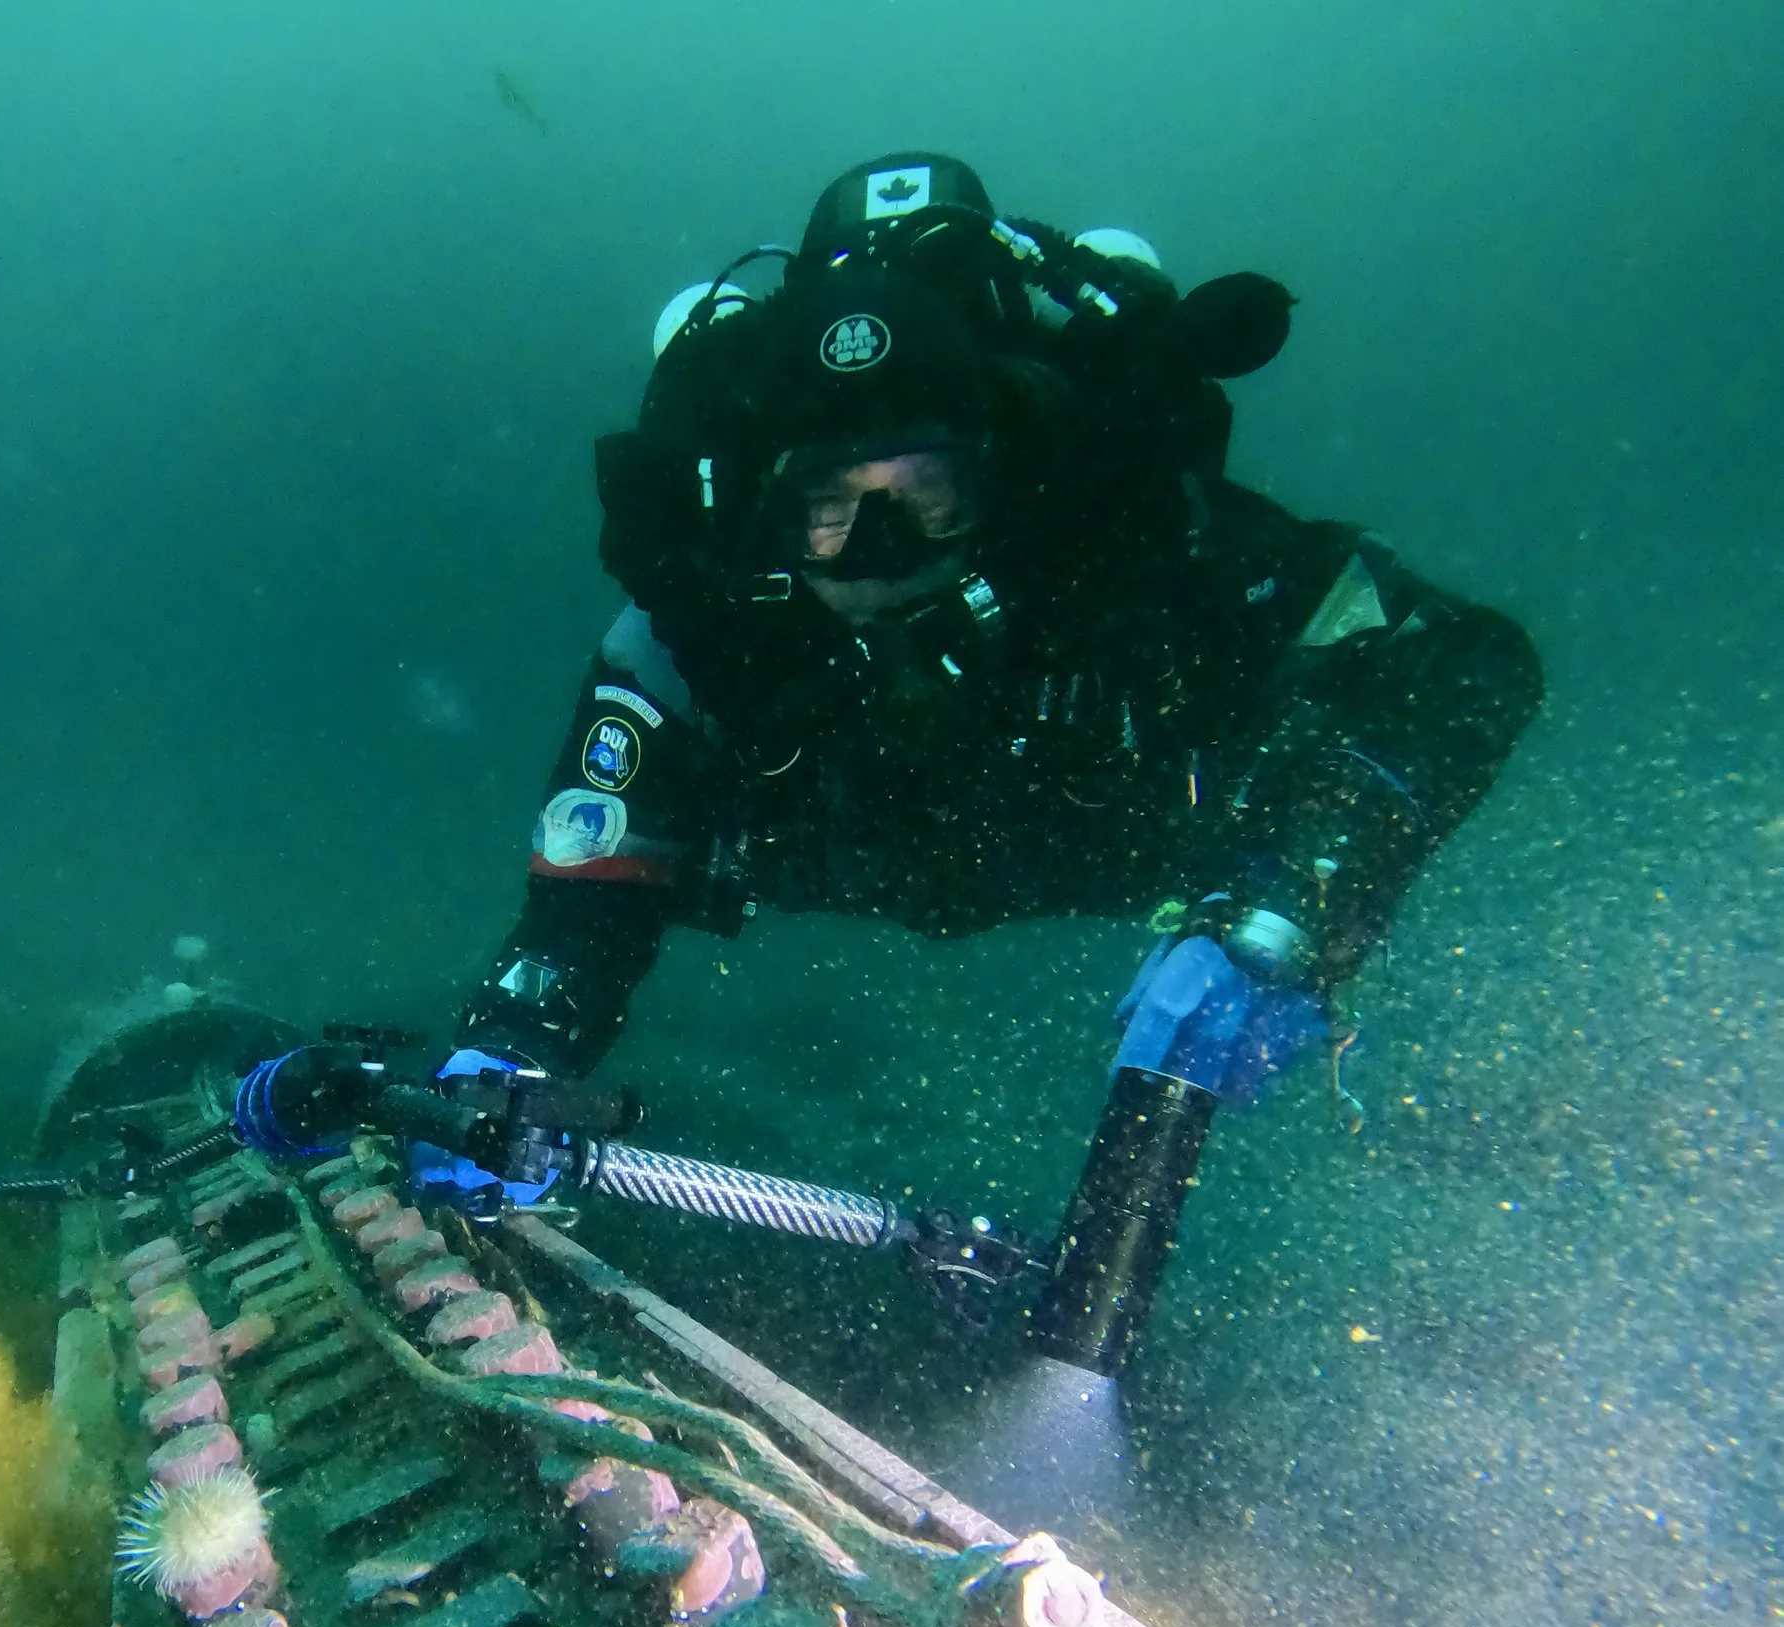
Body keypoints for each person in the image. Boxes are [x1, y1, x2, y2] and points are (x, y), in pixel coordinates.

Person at [434, 153, 1541, 1440]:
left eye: (926, 497)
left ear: (1000, 478)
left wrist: (1292, 900)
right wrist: (502, 1056)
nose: (885, 556)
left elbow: (1463, 662)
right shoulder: (694, 640)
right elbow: (583, 909)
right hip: (856, 833)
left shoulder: (1149, 562)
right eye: (832, 513)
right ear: (755, 517)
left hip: (1128, 829)